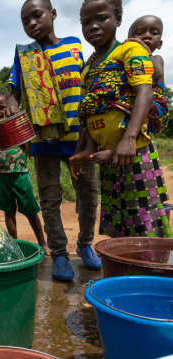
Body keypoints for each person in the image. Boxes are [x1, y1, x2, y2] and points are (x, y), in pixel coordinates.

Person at [5, 0, 100, 281]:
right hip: (43, 139)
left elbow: (87, 80)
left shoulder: (74, 45)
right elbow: (14, 92)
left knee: (88, 195)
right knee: (49, 197)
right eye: (25, 21)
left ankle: (84, 246)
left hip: (79, 138)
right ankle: (59, 253)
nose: (32, 23)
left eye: (37, 16)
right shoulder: (23, 55)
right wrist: (12, 102)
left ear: (53, 14)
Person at [70, 1, 171, 238]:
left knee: (145, 222)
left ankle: (150, 272)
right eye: (86, 22)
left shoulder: (130, 51)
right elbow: (88, 111)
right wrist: (86, 149)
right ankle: (123, 272)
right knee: (118, 222)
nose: (93, 26)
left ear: (118, 20)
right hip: (108, 159)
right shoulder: (87, 69)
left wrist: (129, 139)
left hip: (135, 151)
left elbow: (144, 91)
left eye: (102, 18)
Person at [79, 15, 169, 164]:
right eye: (139, 34)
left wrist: (145, 49)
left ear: (159, 43)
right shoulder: (126, 57)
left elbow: (156, 74)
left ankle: (120, 146)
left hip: (152, 105)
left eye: (154, 33)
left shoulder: (156, 58)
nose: (146, 36)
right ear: (127, 39)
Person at [0, 92, 50, 255]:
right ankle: (14, 244)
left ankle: (43, 242)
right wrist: (0, 131)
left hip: (20, 174)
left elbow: (28, 140)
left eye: (0, 108)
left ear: (8, 108)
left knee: (30, 210)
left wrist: (10, 126)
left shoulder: (16, 125)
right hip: (2, 176)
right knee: (9, 211)